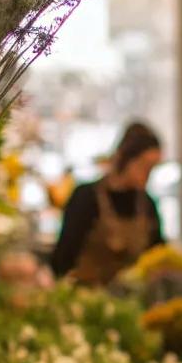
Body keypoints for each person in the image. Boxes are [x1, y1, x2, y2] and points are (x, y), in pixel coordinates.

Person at [50, 122, 164, 285]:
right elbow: (62, 259)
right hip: (87, 301)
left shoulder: (147, 205)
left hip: (133, 303)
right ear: (126, 159)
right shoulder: (86, 198)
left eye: (153, 169)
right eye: (145, 167)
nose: (148, 175)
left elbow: (158, 254)